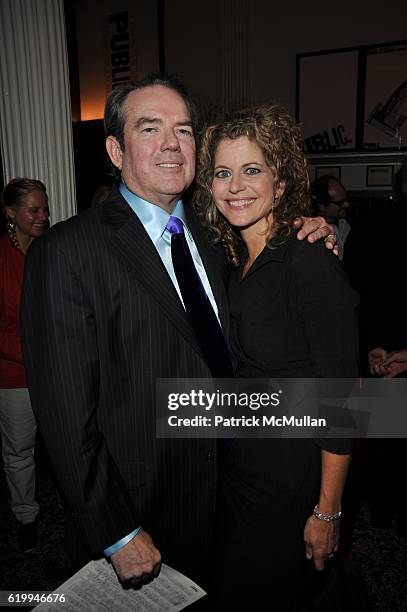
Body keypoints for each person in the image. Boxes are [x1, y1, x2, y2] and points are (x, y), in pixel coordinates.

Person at [20, 74, 337, 595]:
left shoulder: (218, 238)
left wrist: (310, 235)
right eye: (151, 128)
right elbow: (64, 416)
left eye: (184, 130)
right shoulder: (67, 253)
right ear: (116, 150)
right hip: (143, 513)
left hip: (235, 497)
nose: (171, 142)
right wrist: (117, 533)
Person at [194, 104, 359, 610]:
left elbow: (345, 400)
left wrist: (327, 511)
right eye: (223, 173)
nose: (236, 186)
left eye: (252, 170)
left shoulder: (307, 261)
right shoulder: (232, 263)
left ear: (280, 181)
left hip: (293, 482)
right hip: (242, 473)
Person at [0, 177, 49, 552]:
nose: (42, 216)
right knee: (19, 453)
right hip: (15, 376)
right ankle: (25, 517)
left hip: (56, 372)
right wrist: (35, 349)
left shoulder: (51, 250)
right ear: (10, 213)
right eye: (33, 210)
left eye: (44, 209)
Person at [311, 175, 351, 260]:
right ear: (321, 206)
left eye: (346, 199)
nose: (347, 204)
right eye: (340, 203)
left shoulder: (346, 225)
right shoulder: (313, 235)